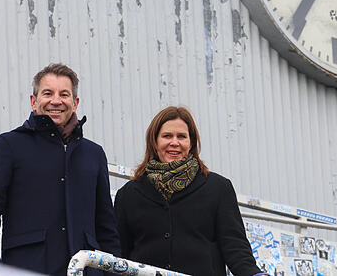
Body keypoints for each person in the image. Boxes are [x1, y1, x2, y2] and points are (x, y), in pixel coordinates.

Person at [0, 63, 120, 275]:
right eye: (48, 93)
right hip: (28, 268)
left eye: (64, 94)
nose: (56, 101)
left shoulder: (94, 155)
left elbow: (106, 228)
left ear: (75, 103)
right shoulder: (8, 146)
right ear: (34, 101)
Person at [114, 106, 266, 276]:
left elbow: (235, 246)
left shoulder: (218, 188)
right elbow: (120, 252)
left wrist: (253, 273)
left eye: (181, 136)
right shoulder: (128, 195)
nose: (174, 142)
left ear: (191, 142)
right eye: (167, 136)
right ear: (154, 141)